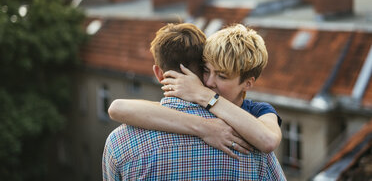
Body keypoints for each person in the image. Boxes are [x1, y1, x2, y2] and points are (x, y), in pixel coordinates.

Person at [103, 23, 285, 180]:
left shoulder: (256, 117)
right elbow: (118, 108)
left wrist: (204, 95)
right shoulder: (254, 154)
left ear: (248, 83)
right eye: (206, 70)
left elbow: (268, 139)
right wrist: (204, 127)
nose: (208, 82)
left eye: (222, 76)